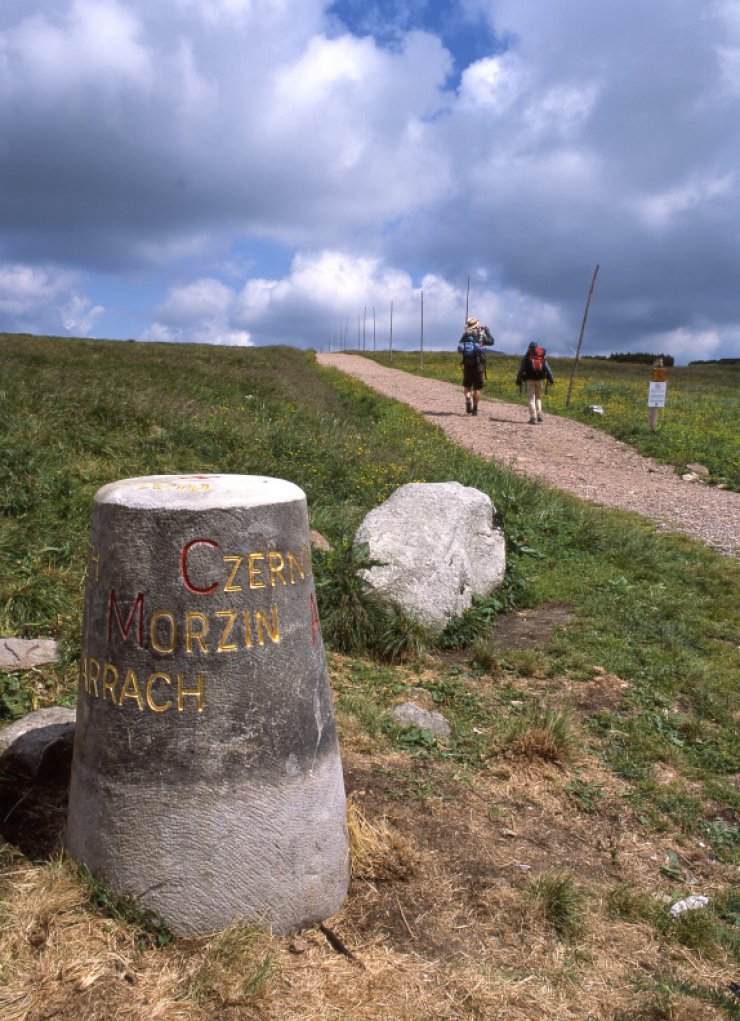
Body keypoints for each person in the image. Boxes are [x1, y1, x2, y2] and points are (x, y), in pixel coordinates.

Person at [457, 316, 494, 416]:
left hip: (467, 364)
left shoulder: (464, 336)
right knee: (477, 388)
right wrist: (487, 331)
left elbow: (460, 348)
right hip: (479, 365)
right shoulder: (480, 336)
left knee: (467, 386)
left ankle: (468, 398)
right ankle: (475, 409)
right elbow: (492, 341)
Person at [516, 341, 554, 424]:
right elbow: (547, 368)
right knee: (538, 397)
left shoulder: (527, 357)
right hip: (540, 380)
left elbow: (521, 369)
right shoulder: (541, 357)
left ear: (529, 348)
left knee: (531, 398)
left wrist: (518, 379)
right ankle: (539, 414)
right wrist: (551, 378)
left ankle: (533, 417)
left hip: (530, 380)